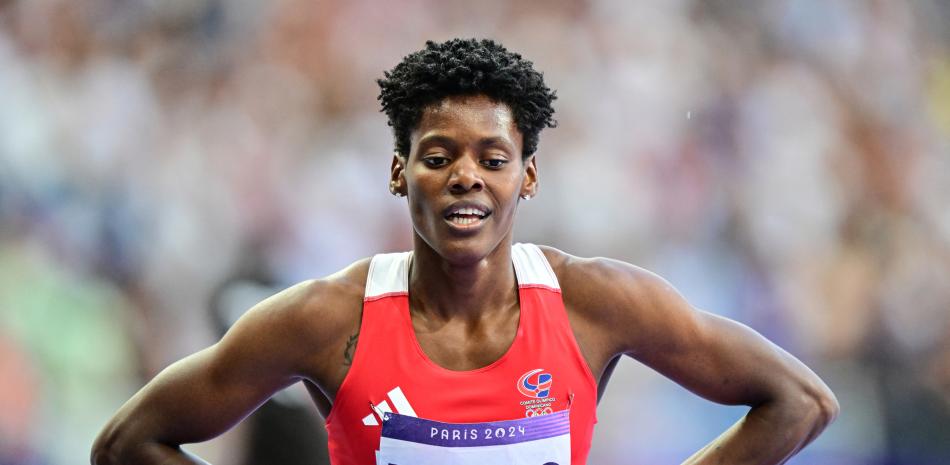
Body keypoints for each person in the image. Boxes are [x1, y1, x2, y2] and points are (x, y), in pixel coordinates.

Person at [91, 38, 839, 465]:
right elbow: (128, 442)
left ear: (528, 175)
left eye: (493, 156)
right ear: (397, 171)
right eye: (439, 154)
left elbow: (800, 402)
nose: (465, 177)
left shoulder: (594, 303)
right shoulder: (329, 318)